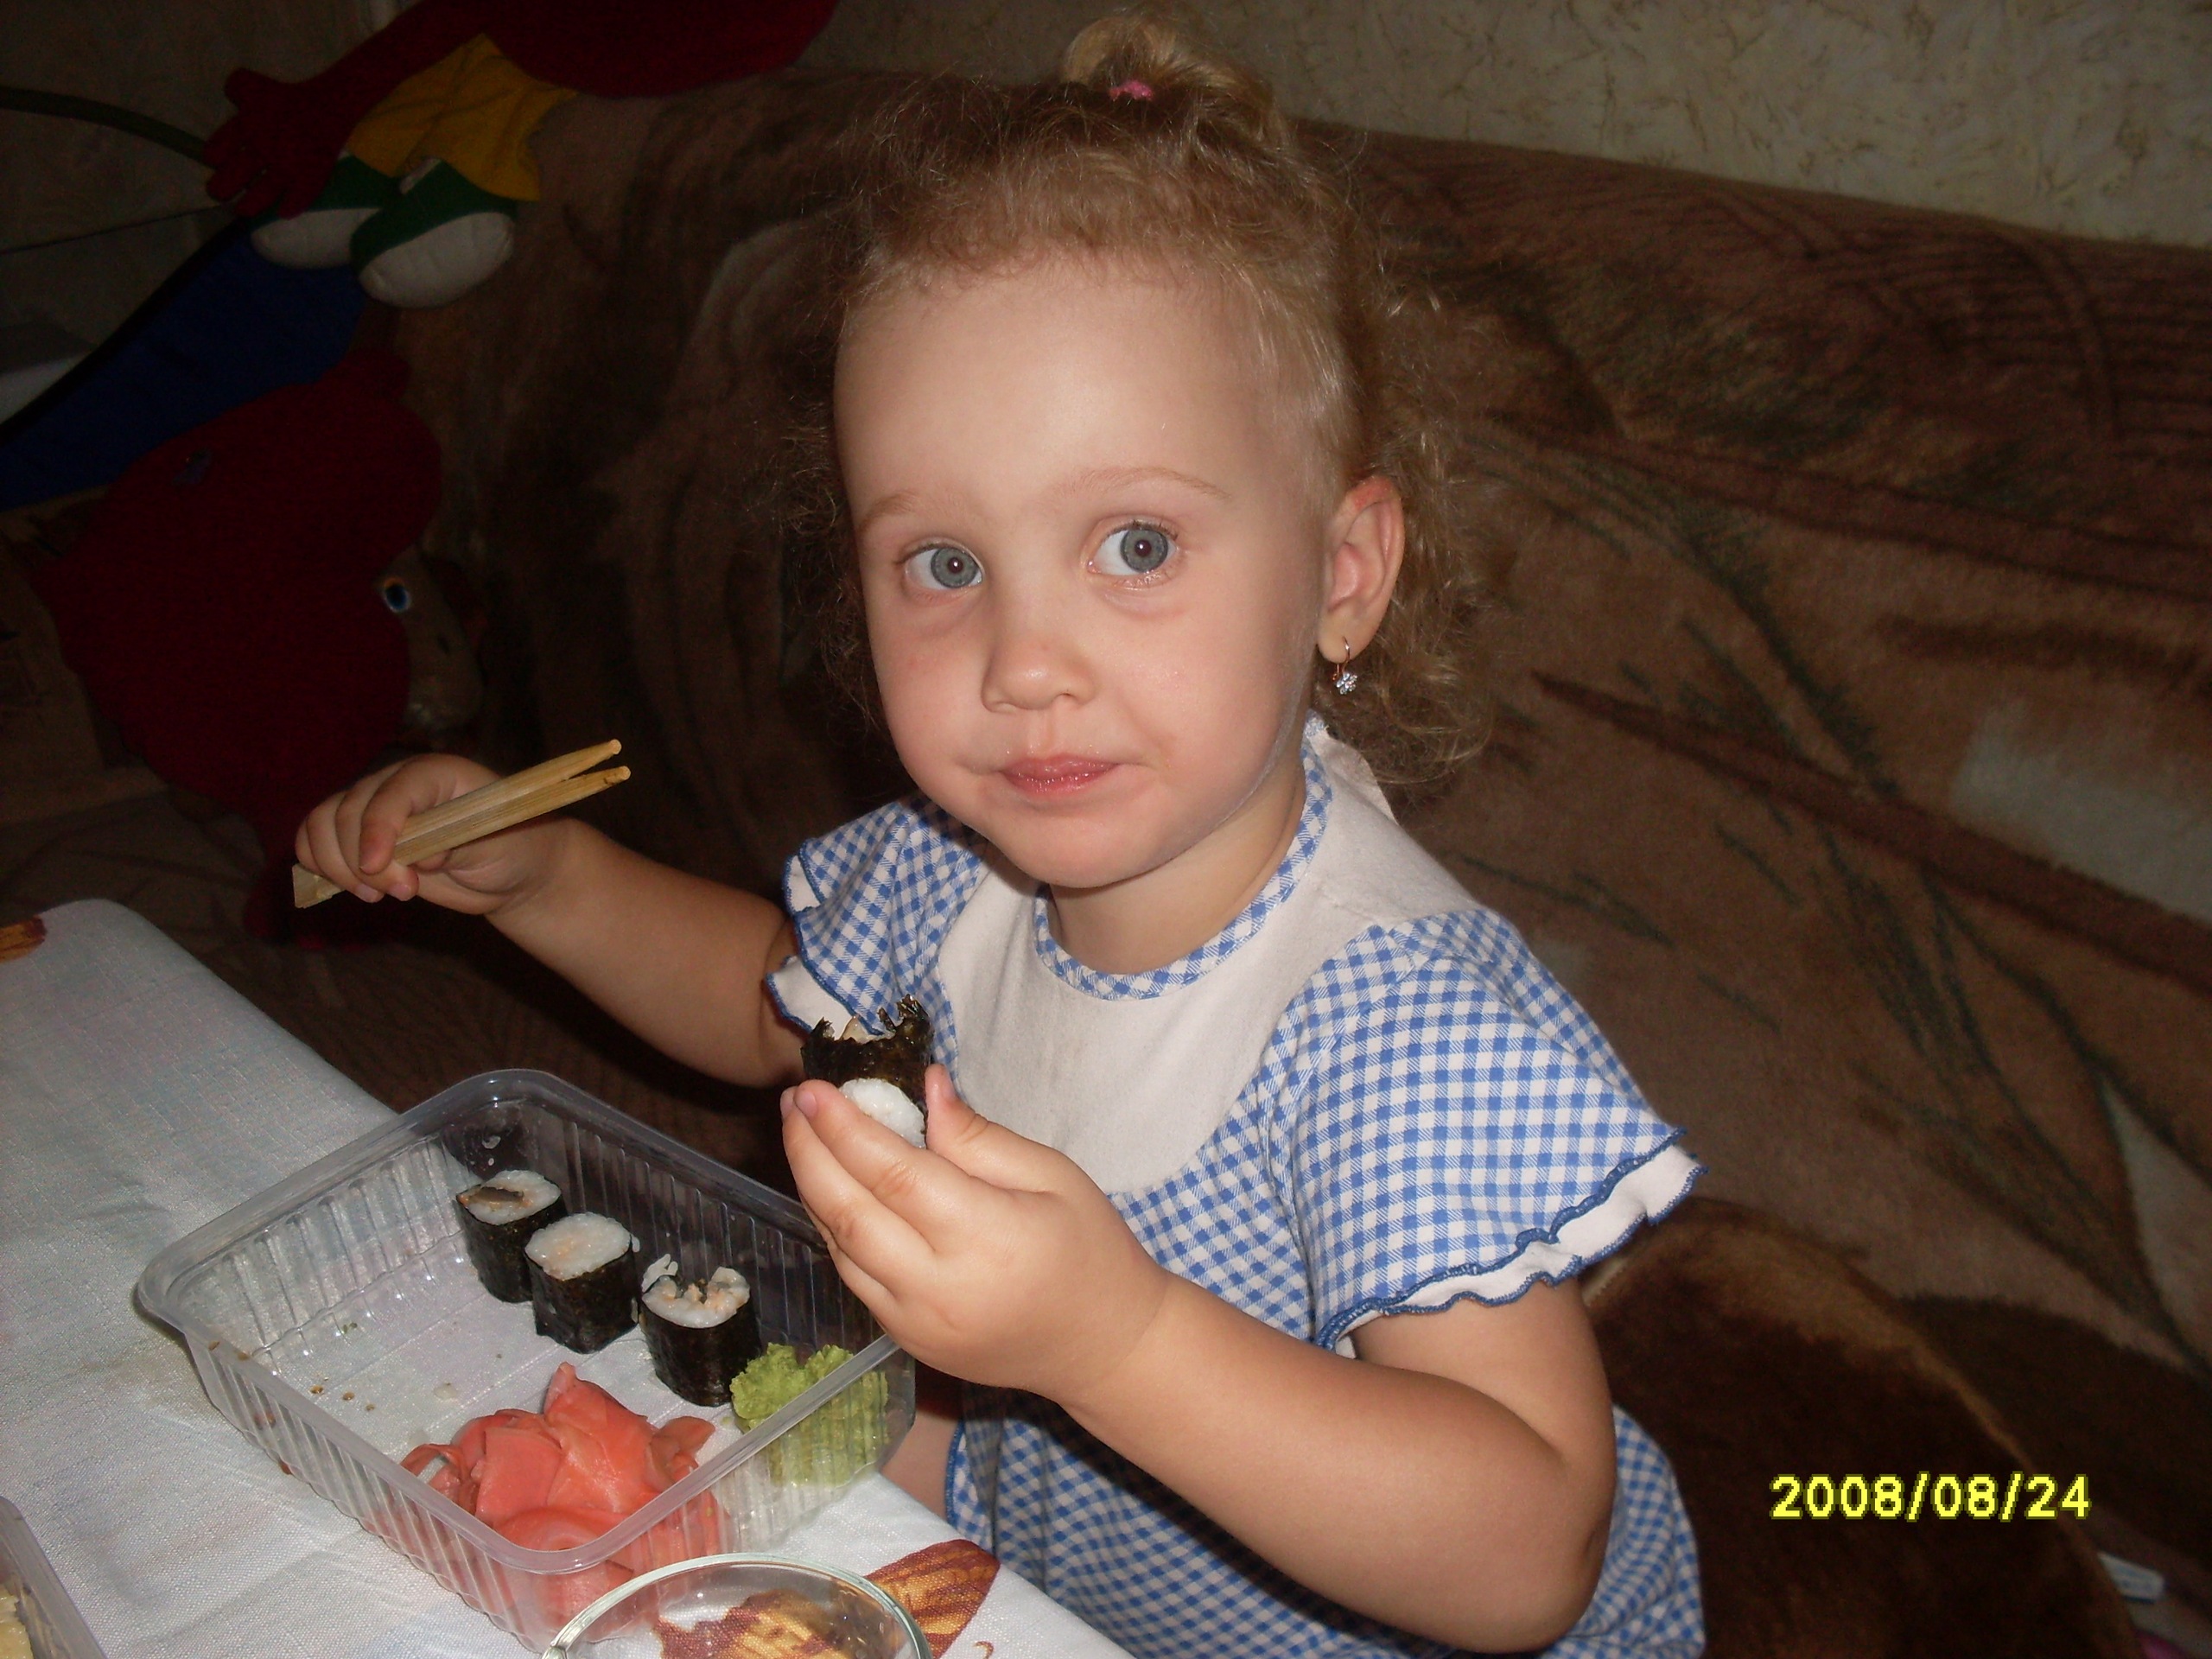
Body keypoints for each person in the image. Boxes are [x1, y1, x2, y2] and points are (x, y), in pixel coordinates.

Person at [296, 15, 1704, 1656]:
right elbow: (768, 1000)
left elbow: (1526, 1549)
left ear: (1342, 574)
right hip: (1052, 1527)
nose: (1024, 665)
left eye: (1135, 544)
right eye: (947, 566)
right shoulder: (957, 874)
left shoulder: (1395, 1021)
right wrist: (548, 879)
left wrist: (1117, 1344)